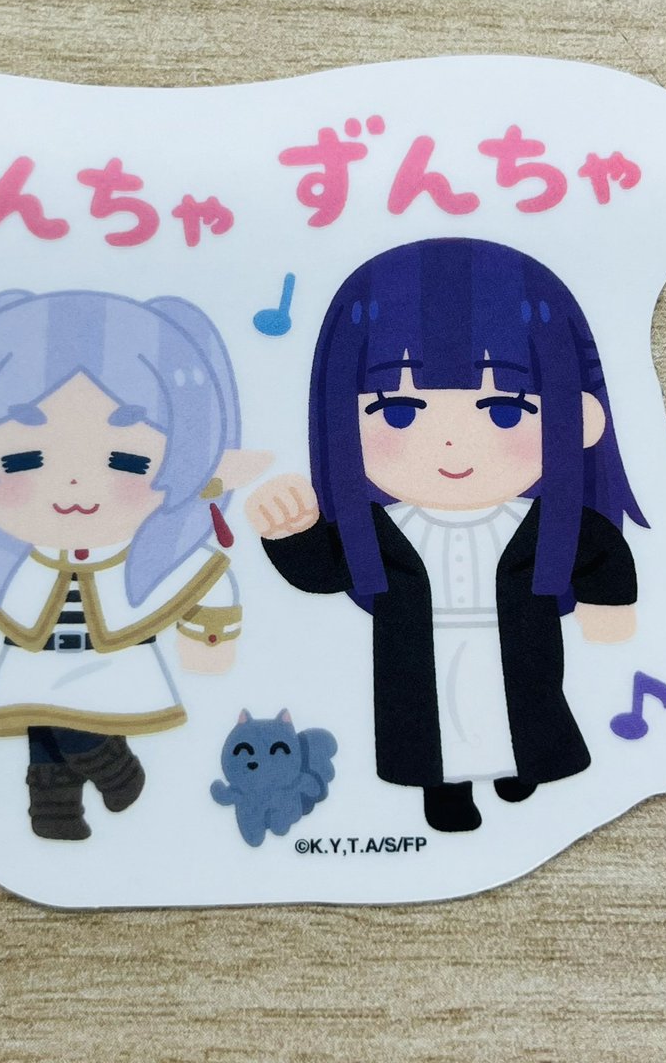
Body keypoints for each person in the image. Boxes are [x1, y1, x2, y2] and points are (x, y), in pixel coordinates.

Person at [246, 238, 645, 832]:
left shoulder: (547, 524)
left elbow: (599, 552)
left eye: (505, 410)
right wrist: (293, 534)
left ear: (579, 418)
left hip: (516, 642)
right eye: (399, 411)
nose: (453, 444)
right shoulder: (380, 529)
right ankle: (445, 791)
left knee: (521, 705)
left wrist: (608, 609)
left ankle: (522, 767)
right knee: (432, 724)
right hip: (418, 653)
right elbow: (326, 571)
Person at [0, 289, 264, 840]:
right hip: (29, 673)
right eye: (22, 458)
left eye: (127, 460)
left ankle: (110, 765)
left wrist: (209, 639)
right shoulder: (8, 566)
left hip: (114, 674)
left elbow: (202, 584)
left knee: (67, 723)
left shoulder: (158, 563)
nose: (73, 485)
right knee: (42, 735)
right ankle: (55, 812)